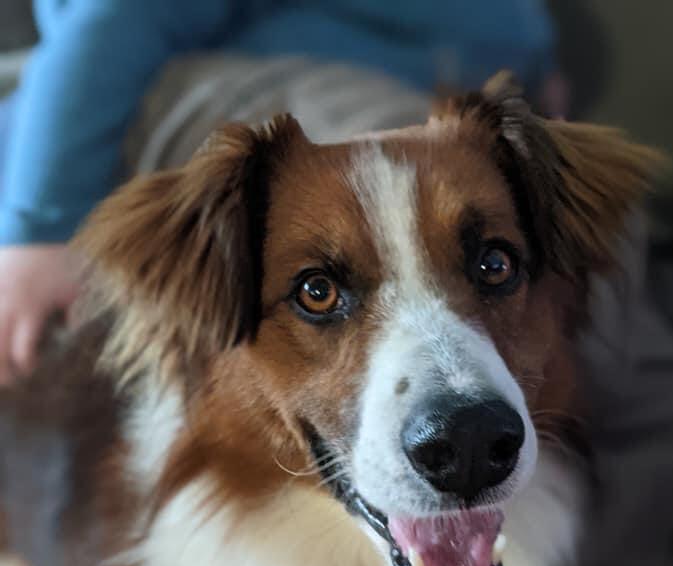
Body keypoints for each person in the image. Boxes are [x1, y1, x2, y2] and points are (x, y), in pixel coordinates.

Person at [0, 0, 560, 383]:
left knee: (602, 276)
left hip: (435, 91)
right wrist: (40, 227)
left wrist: (538, 75)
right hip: (245, 79)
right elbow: (117, 15)